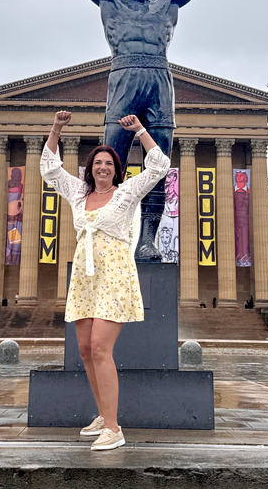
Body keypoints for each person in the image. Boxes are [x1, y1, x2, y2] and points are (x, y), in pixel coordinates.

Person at [52, 0, 232, 259]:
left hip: (159, 81)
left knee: (158, 166)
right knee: (109, 162)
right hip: (123, 78)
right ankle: (106, 232)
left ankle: (148, 238)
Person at [40, 110, 170, 450]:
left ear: (116, 170)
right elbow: (49, 169)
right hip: (84, 276)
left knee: (100, 347)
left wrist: (141, 130)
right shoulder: (78, 194)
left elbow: (159, 166)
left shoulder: (127, 193)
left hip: (114, 275)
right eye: (98, 163)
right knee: (85, 350)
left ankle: (113, 429)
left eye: (108, 164)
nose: (102, 168)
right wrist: (56, 129)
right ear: (90, 168)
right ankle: (102, 414)